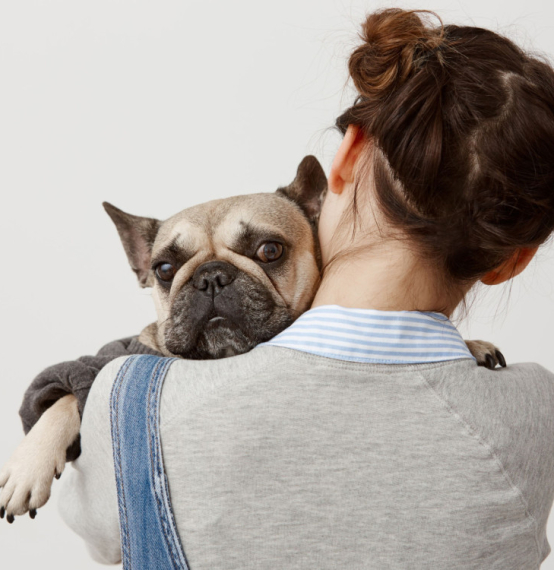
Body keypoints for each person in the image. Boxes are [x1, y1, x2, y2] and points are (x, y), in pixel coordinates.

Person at [58, 8, 554, 569]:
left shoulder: (132, 401)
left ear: (342, 160)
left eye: (268, 252)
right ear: (513, 260)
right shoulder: (535, 411)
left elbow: (103, 540)